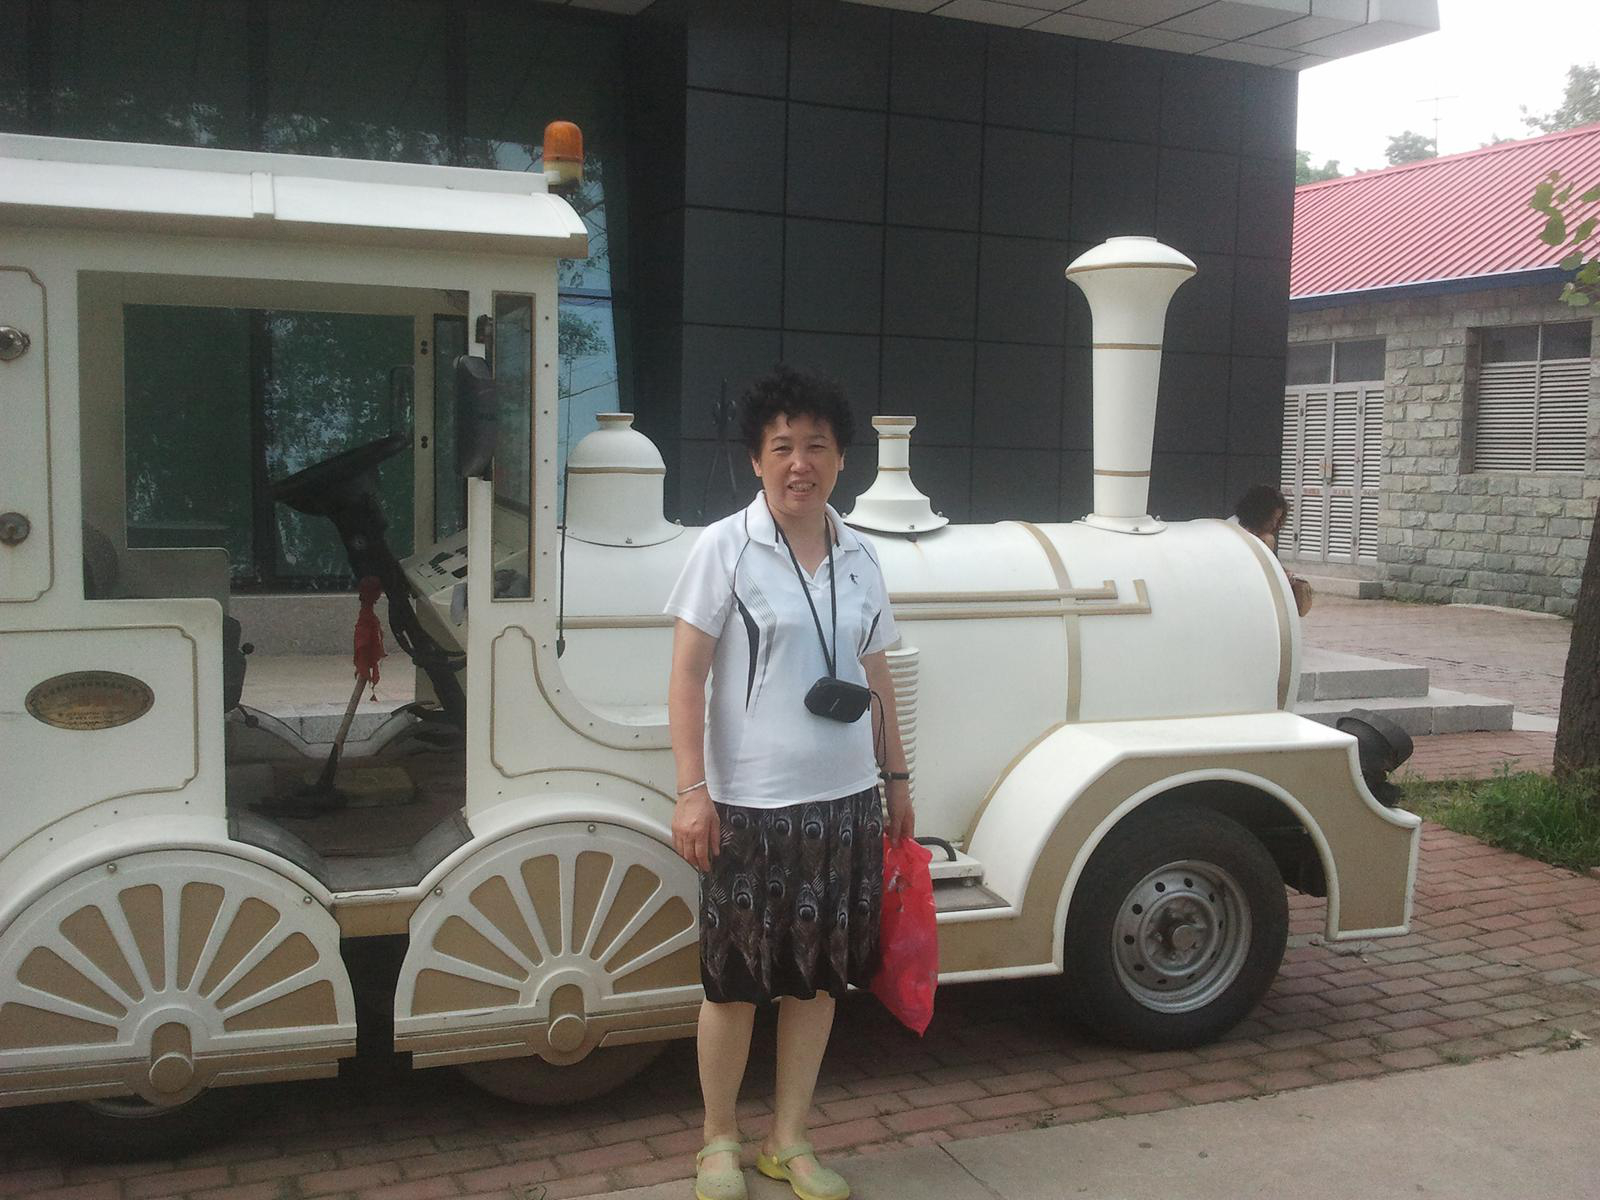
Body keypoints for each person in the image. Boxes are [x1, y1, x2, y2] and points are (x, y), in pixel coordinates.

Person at [664, 364, 913, 1200]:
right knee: (734, 985)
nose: (800, 462)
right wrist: (691, 790)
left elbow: (876, 674)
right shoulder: (724, 549)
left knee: (818, 980)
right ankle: (718, 1140)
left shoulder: (862, 556)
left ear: (841, 459)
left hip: (844, 803)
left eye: (817, 446)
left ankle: (789, 1138)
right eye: (782, 447)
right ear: (757, 460)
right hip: (747, 806)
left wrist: (896, 779)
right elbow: (686, 677)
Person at [1232, 484, 1314, 616]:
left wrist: (1283, 573)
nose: (1274, 524)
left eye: (1278, 519)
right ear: (1259, 514)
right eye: (1272, 519)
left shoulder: (1260, 537)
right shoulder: (1234, 535)